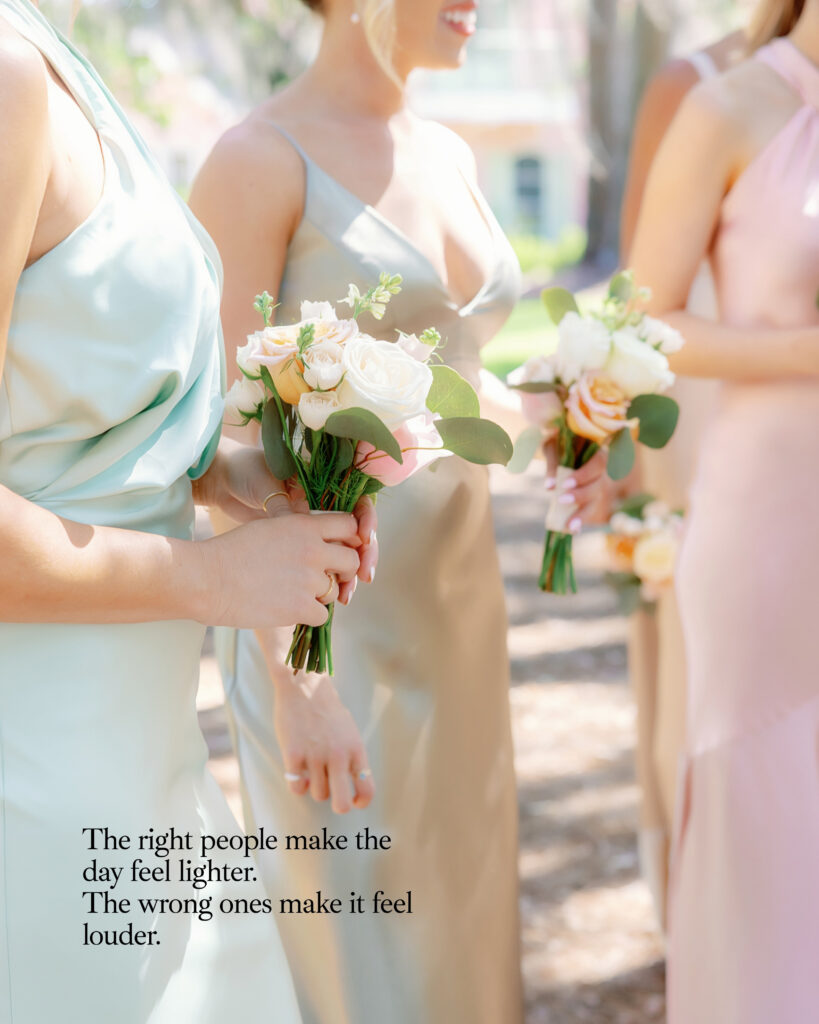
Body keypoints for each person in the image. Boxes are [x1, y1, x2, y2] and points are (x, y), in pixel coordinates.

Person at [190, 1, 607, 1021]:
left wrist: (563, 424)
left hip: (461, 618)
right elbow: (218, 446)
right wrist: (299, 681)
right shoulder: (259, 160)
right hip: (334, 629)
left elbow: (456, 391)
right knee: (362, 961)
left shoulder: (452, 152)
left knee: (461, 939)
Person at [0, 1, 371, 1020]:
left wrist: (235, 475)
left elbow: (77, 420)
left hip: (143, 749)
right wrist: (212, 578)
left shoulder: (49, 49)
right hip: (34, 759)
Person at [629, 0, 819, 1016]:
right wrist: (804, 354)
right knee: (769, 821)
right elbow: (641, 319)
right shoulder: (732, 107)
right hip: (772, 526)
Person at [619, 29, 745, 927]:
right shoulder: (690, 85)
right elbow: (637, 296)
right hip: (696, 418)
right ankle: (699, 908)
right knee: (692, 665)